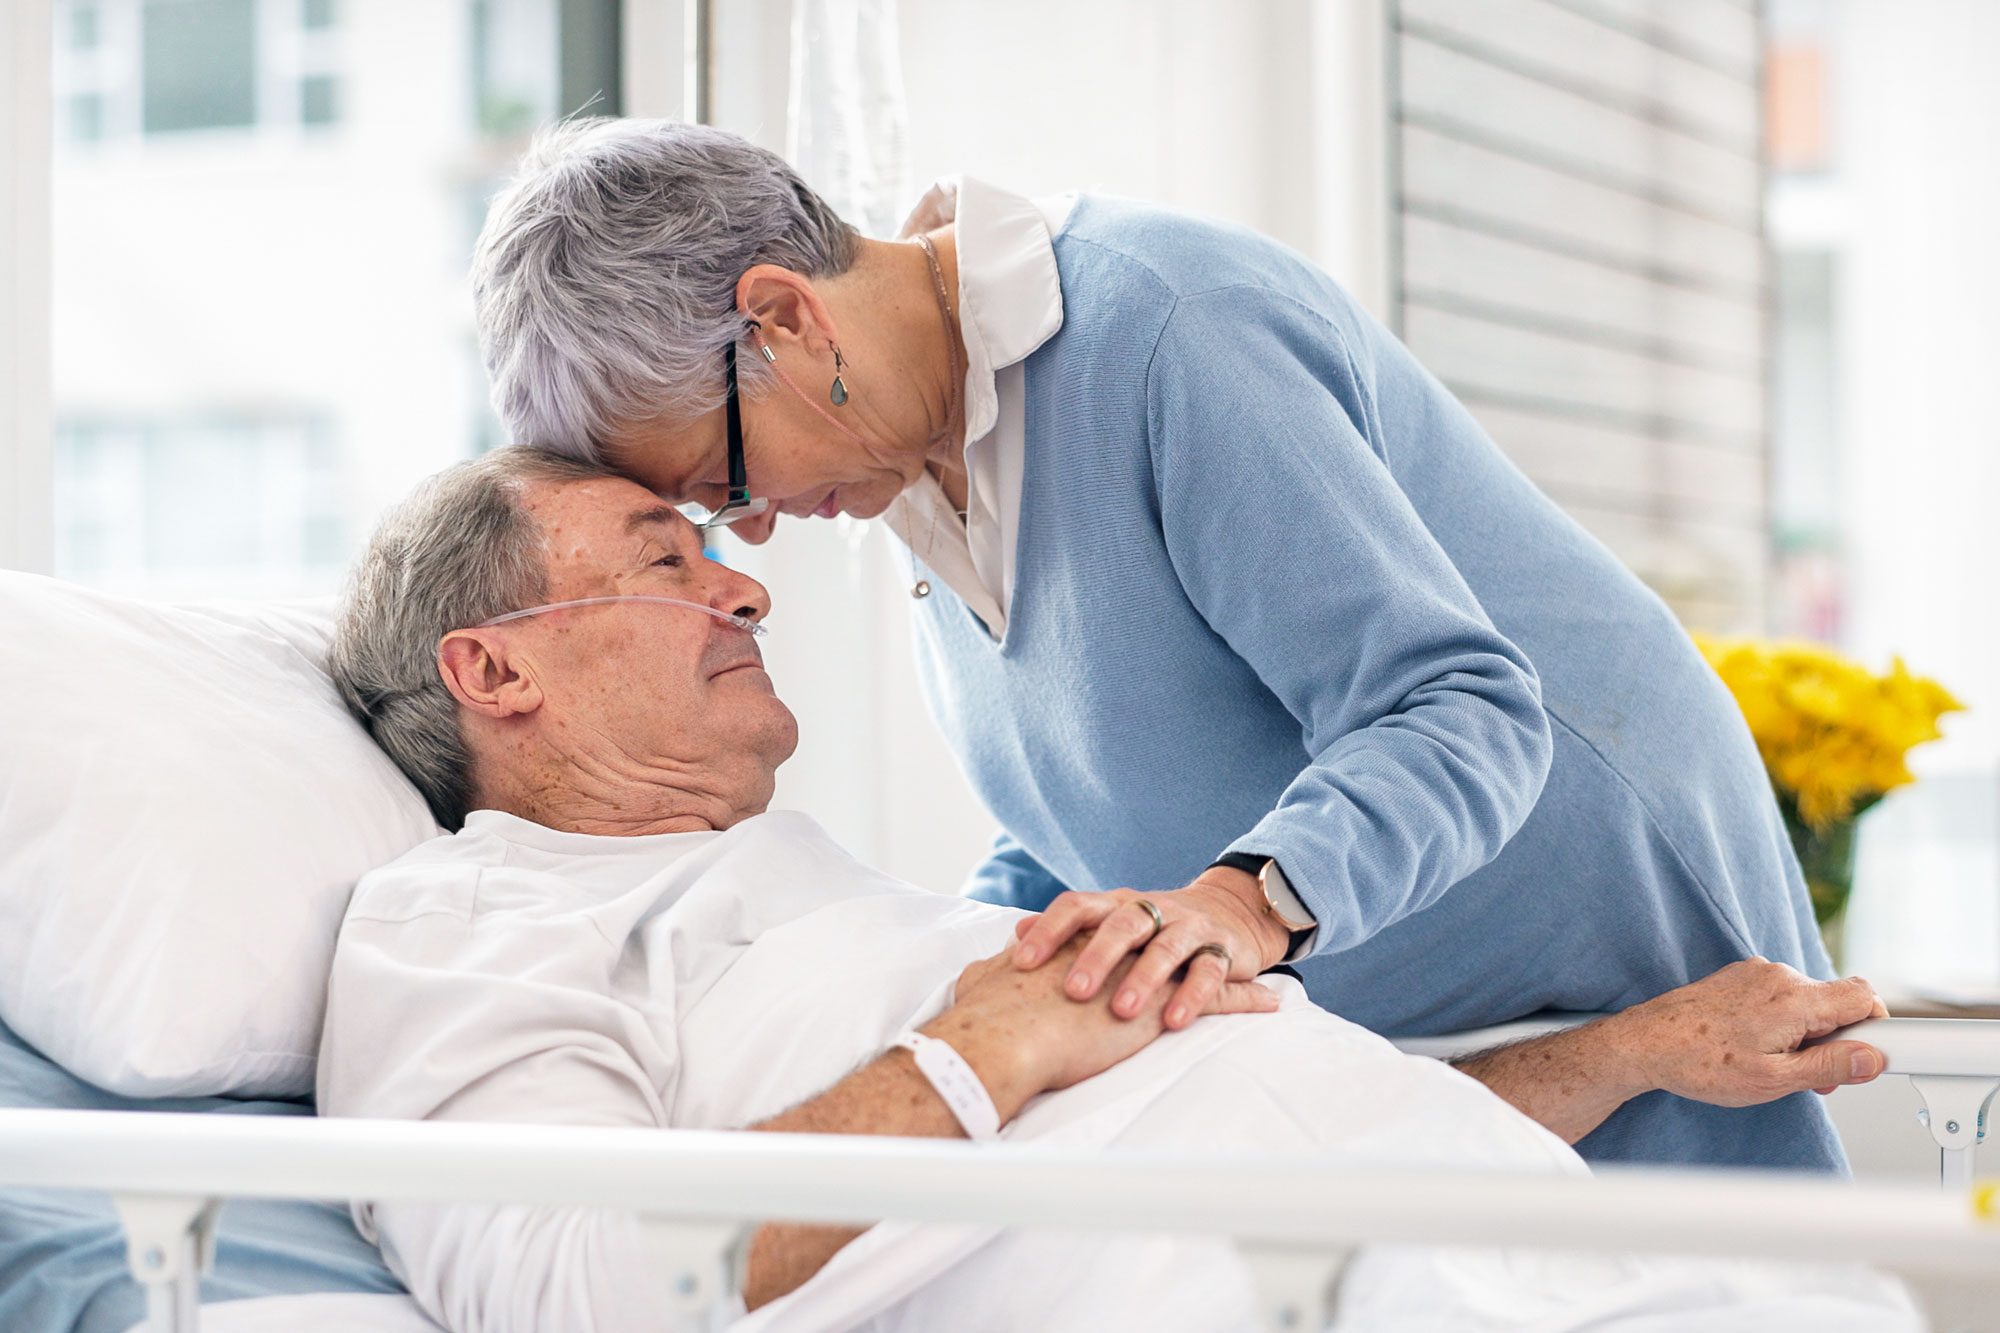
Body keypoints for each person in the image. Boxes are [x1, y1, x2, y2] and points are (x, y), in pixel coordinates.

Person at [468, 120, 1846, 1172]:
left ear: (784, 318)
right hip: (1384, 1016)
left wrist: (1236, 909)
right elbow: (1096, 801)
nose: (754, 538)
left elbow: (1465, 708)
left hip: (1594, 930)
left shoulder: (1164, 333)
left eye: (728, 479)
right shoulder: (911, 472)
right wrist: (975, 959)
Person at [318, 450, 1900, 1332]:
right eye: (664, 560)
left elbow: (1241, 1105)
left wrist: (1627, 1052)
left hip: (1513, 1258)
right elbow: (569, 1289)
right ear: (493, 667)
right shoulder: (466, 928)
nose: (743, 579)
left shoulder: (820, 894)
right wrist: (973, 1050)